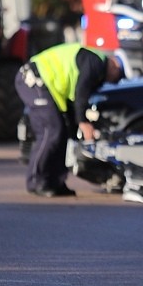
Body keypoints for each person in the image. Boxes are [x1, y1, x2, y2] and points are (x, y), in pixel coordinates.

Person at [15, 42, 125, 197]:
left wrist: (76, 128)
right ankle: (36, 181)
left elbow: (76, 97)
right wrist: (84, 123)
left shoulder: (95, 64)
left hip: (47, 86)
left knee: (63, 133)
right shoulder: (96, 63)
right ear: (114, 65)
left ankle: (55, 182)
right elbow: (81, 91)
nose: (114, 81)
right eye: (118, 76)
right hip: (33, 78)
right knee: (51, 131)